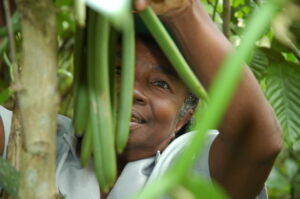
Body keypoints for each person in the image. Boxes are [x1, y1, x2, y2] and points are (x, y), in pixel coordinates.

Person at [0, 0, 282, 198]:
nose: (131, 91)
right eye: (117, 70)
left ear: (184, 115)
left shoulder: (189, 168)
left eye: (160, 84)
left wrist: (184, 11)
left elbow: (256, 138)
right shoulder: (38, 139)